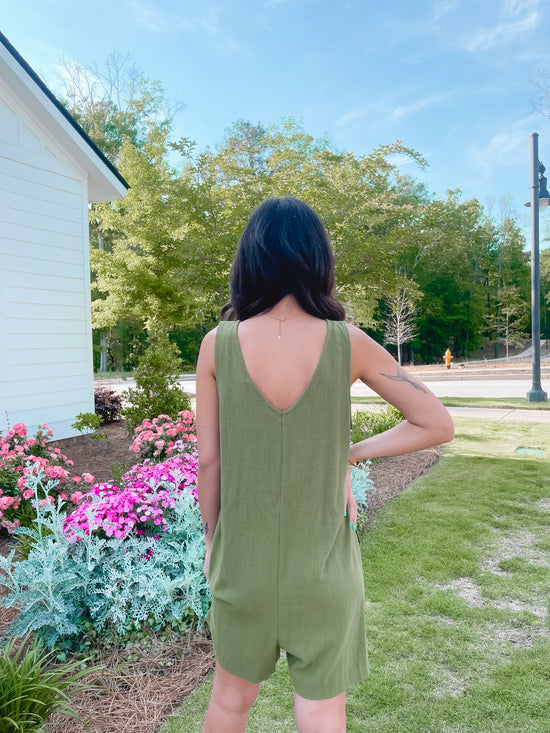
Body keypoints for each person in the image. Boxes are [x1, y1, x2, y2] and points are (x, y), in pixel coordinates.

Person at [196, 197, 454, 733]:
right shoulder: (349, 343)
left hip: (241, 565)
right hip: (325, 570)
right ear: (318, 260)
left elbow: (209, 461)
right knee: (320, 711)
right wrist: (348, 452)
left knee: (227, 704)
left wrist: (211, 544)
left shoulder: (215, 346)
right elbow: (435, 423)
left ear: (250, 261)